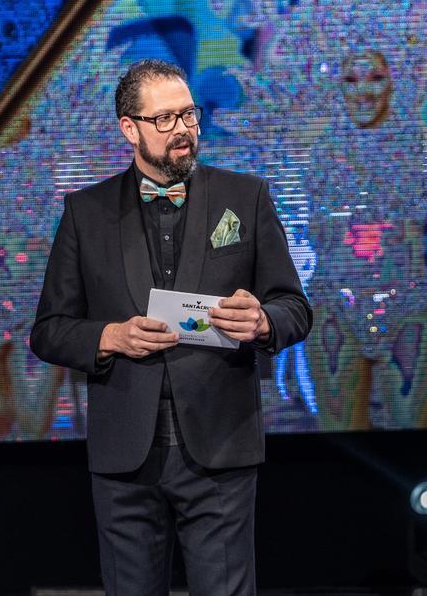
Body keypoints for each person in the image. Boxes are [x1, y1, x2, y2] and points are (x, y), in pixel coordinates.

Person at [30, 59, 312, 595]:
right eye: (164, 119)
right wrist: (108, 337)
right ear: (129, 128)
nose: (182, 130)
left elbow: (294, 307)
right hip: (125, 454)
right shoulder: (85, 213)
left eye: (188, 115)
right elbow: (49, 329)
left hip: (220, 447)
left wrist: (262, 321)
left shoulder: (245, 198)